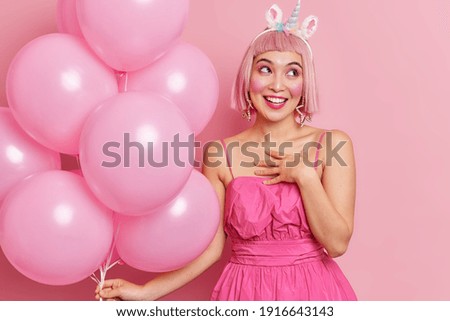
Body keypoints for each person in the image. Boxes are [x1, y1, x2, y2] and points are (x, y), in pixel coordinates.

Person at [96, 0, 357, 301]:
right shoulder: (219, 155)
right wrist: (146, 292)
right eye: (265, 69)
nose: (277, 85)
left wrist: (305, 178)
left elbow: (337, 244)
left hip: (314, 293)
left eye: (292, 73)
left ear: (304, 83)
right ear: (248, 80)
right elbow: (211, 249)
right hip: (244, 293)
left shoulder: (333, 145)